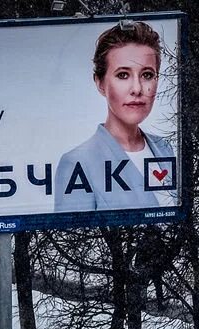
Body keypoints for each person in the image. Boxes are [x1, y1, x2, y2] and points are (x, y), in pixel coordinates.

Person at [54, 20, 177, 212]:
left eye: (147, 75)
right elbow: (73, 237)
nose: (137, 89)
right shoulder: (78, 162)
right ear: (100, 83)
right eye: (123, 75)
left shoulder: (164, 148)